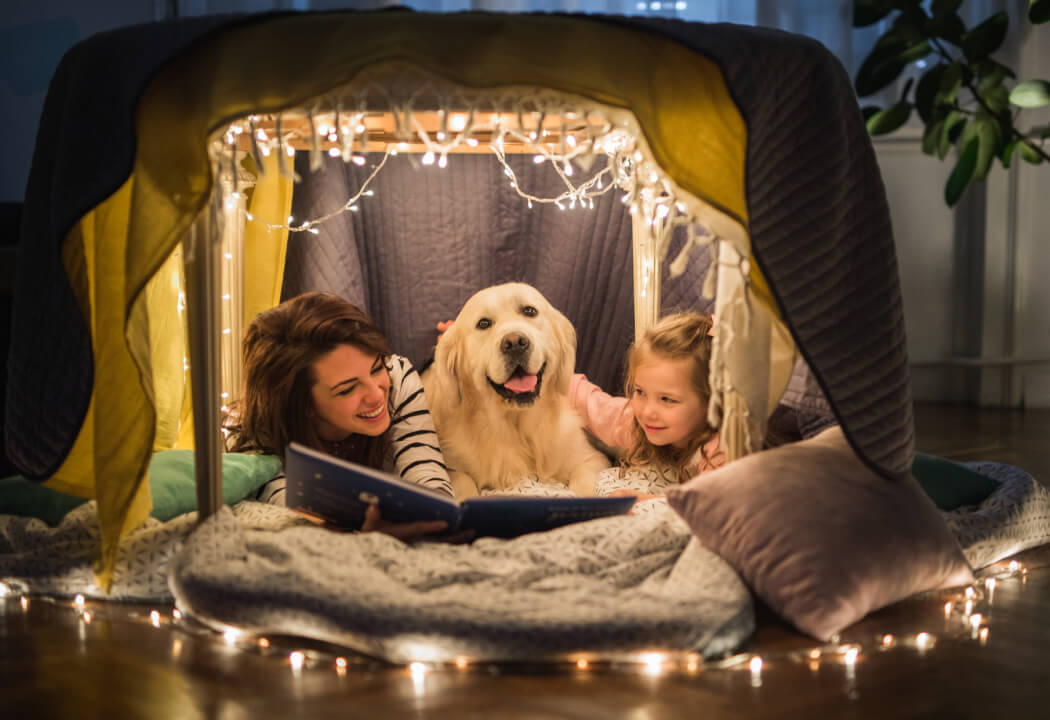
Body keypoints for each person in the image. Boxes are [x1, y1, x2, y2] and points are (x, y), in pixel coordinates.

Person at [227, 291, 466, 541]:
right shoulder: (260, 429)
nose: (376, 395)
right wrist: (358, 534)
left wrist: (439, 515)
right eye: (348, 389)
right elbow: (292, 509)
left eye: (376, 368)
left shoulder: (397, 378)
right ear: (303, 403)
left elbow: (427, 473)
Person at [569, 312, 724, 489]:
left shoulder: (719, 452)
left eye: (667, 399)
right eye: (640, 392)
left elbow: (706, 502)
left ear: (711, 402)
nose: (647, 411)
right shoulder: (634, 421)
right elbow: (589, 403)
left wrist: (638, 501)